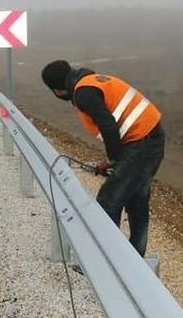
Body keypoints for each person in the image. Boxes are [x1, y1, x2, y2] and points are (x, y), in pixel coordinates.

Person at [41, 60, 164, 257]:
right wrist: (116, 159)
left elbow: (109, 126)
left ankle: (106, 260)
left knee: (108, 202)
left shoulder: (83, 94)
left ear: (57, 91)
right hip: (148, 137)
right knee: (137, 200)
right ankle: (135, 259)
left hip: (142, 143)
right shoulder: (91, 80)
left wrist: (112, 159)